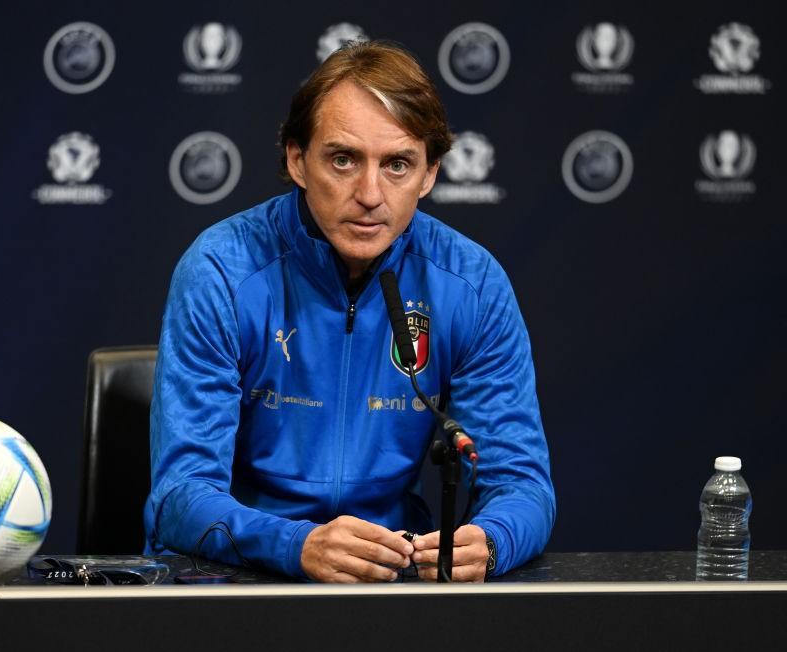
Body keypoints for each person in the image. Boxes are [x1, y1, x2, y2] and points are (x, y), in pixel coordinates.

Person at [145, 40, 554, 582]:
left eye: (397, 165)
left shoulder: (471, 285)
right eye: (343, 159)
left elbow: (523, 485)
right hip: (236, 578)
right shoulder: (220, 270)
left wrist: (493, 539)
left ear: (429, 175)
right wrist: (298, 545)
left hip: (389, 577)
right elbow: (180, 496)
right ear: (297, 160)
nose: (369, 193)